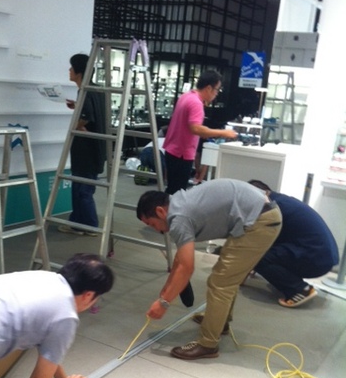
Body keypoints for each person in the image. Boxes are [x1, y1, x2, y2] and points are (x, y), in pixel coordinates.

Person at [136, 179, 282, 360]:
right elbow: (180, 259)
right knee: (225, 279)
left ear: (160, 211)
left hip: (259, 221)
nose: (157, 230)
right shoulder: (179, 204)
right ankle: (220, 323)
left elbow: (187, 267)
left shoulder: (178, 219)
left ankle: (208, 345)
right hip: (258, 216)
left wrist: (164, 303)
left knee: (221, 283)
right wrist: (165, 291)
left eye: (152, 224)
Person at [248, 179, 339, 307]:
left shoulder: (273, 209)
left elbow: (259, 243)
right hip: (321, 255)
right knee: (263, 255)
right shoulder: (282, 202)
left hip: (316, 258)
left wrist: (246, 266)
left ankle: (300, 289)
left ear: (263, 194)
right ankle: (292, 283)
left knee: (259, 258)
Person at [163, 70, 238, 195]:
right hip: (181, 153)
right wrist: (224, 133)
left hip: (173, 150)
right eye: (217, 90)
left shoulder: (186, 96)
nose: (216, 94)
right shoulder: (196, 103)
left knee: (172, 189)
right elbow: (196, 129)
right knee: (177, 193)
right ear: (208, 88)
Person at [59, 53, 107, 236]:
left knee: (83, 188)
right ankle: (78, 223)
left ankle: (90, 225)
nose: (69, 70)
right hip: (94, 148)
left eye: (72, 67)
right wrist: (77, 105)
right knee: (81, 187)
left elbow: (87, 116)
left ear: (79, 72)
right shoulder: (96, 90)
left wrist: (76, 127)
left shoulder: (85, 91)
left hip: (86, 149)